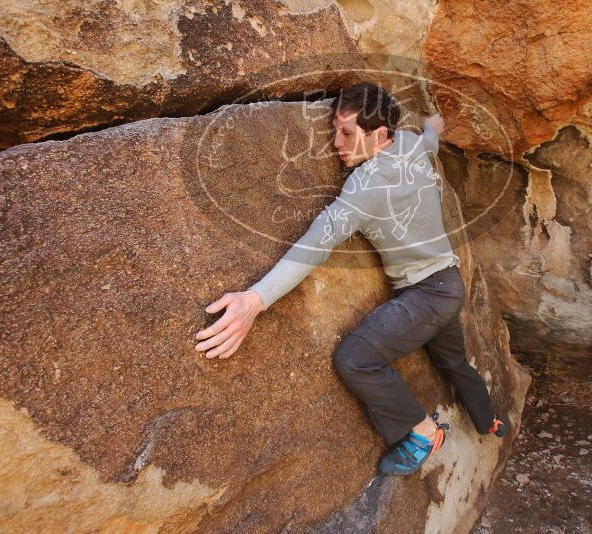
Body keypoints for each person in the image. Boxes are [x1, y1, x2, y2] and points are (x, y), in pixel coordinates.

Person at [194, 82, 506, 476]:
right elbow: (430, 143)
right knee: (453, 360)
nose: (335, 142)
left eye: (345, 133)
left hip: (427, 294)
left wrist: (255, 300)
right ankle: (488, 420)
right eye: (333, 131)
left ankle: (425, 433)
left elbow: (315, 245)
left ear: (378, 135)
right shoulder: (410, 144)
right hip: (448, 286)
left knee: (356, 359)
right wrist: (434, 127)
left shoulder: (364, 188)